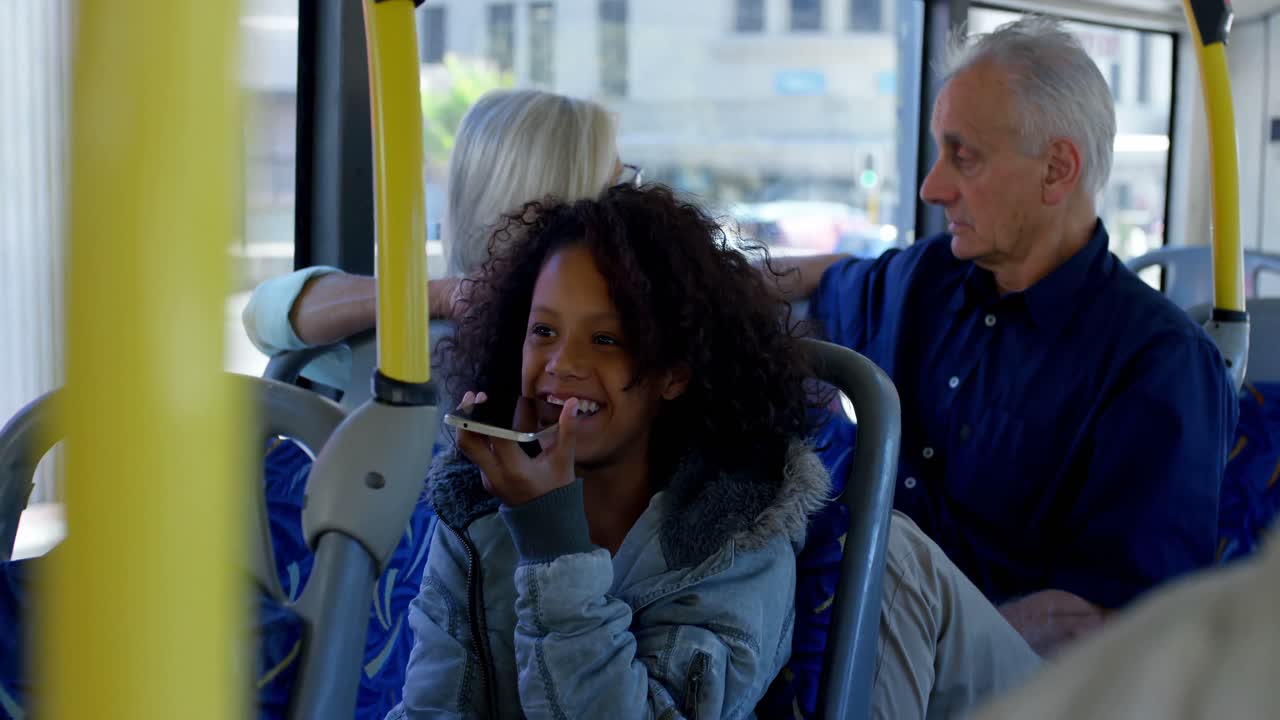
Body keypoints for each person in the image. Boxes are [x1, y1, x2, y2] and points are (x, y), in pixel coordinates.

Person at [777, 15, 1237, 655]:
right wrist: (683, 282)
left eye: (962, 156)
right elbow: (825, 278)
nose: (932, 187)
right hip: (855, 621)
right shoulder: (927, 278)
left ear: (1056, 170)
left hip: (1006, 669)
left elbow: (1117, 620)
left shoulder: (1157, 365)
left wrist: (918, 642)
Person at [388, 184, 832, 717]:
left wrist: (551, 542)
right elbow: (432, 706)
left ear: (674, 373)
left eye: (606, 340)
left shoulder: (733, 536)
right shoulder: (476, 509)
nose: (562, 364)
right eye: (544, 330)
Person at [241, 89, 627, 389]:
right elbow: (265, 316)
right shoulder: (621, 345)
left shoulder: (407, 348)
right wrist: (443, 295)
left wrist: (439, 296)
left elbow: (268, 316)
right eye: (619, 186)